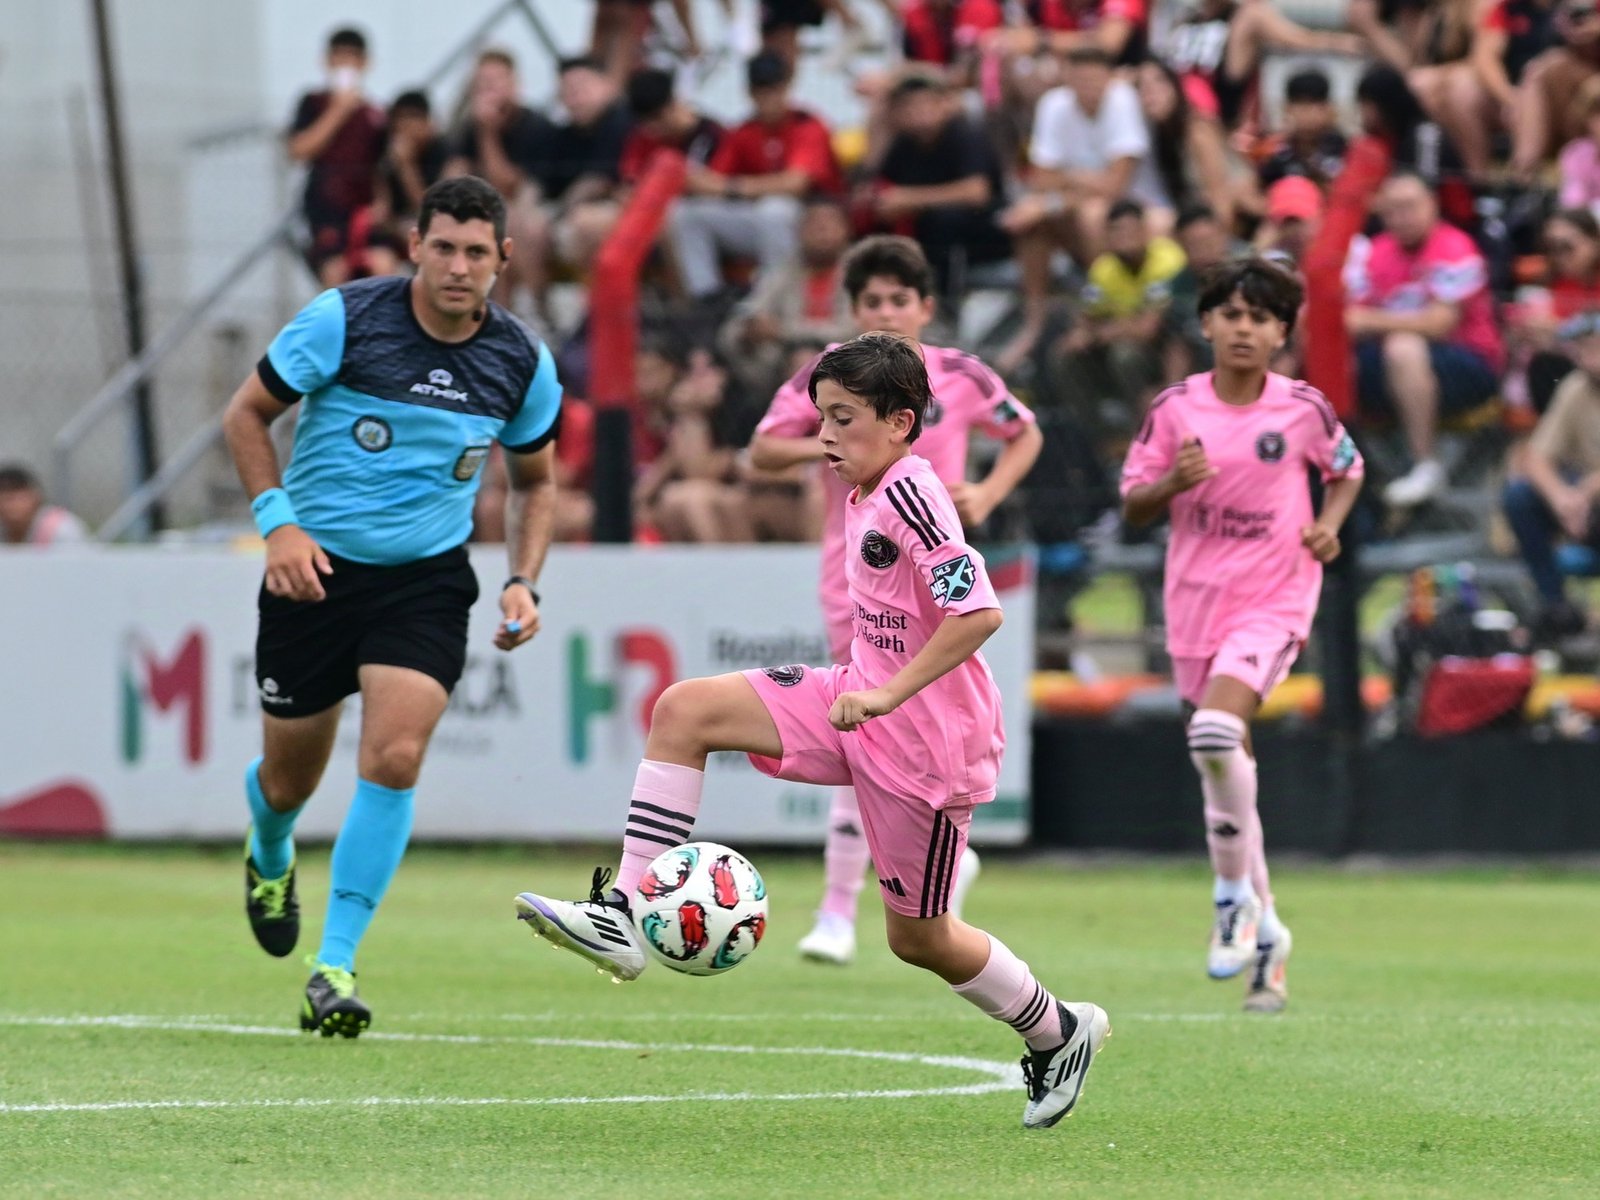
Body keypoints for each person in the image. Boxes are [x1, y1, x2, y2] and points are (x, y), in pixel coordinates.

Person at [513, 332, 1110, 1130]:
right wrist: (870, 689)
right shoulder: (870, 489)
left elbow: (980, 613)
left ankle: (1058, 1031)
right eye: (821, 417)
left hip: (926, 748)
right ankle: (622, 911)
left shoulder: (912, 496)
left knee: (921, 939)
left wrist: (889, 692)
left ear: (901, 422)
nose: (822, 436)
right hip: (855, 699)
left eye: (842, 419)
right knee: (684, 710)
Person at [220, 176, 562, 1036]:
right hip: (312, 574)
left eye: (476, 252)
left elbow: (536, 484)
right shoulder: (344, 319)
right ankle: (269, 851)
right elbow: (246, 416)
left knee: (396, 754)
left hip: (424, 582)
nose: (457, 266)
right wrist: (279, 528)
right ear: (415, 245)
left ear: (503, 260)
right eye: (442, 246)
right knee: (289, 779)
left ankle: (333, 965)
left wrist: (524, 578)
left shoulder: (521, 360)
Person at [747, 235, 1043, 965]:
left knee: (884, 725)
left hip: (930, 578)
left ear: (926, 307)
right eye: (871, 301)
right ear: (853, 310)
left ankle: (862, 902)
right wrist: (832, 438)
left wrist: (992, 490)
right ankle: (841, 910)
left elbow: (1025, 433)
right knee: (863, 728)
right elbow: (759, 450)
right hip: (855, 575)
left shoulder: (959, 381)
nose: (886, 311)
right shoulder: (833, 383)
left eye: (898, 300)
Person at [1120, 256, 1364, 1013]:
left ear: (1282, 333)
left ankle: (1230, 901)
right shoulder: (1175, 409)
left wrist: (1326, 526)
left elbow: (1349, 470)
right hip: (1196, 605)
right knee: (1226, 767)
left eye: (1261, 318)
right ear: (1207, 324)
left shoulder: (1303, 410)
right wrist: (1171, 484)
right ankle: (1271, 936)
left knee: (1217, 733)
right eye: (1232, 315)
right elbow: (1133, 504)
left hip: (1276, 597)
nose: (1244, 329)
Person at [1344, 172, 1504, 509]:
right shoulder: (1373, 252)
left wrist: (1373, 321)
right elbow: (1349, 321)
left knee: (1404, 345)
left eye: (1410, 206)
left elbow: (1438, 324)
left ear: (1432, 205)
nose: (1402, 217)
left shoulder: (1456, 247)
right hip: (1392, 364)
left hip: (1468, 364)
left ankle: (1425, 463)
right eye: (1393, 209)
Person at [669, 52, 843, 303]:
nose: (768, 98)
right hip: (762, 220)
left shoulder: (807, 124)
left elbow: (795, 184)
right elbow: (709, 183)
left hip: (812, 218)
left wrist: (732, 188)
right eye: (761, 90)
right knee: (685, 214)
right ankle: (707, 300)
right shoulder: (744, 131)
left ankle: (775, 301)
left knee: (774, 210)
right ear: (750, 92)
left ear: (786, 87)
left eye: (774, 89)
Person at [1503, 311, 1600, 637]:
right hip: (1585, 505)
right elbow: (1536, 457)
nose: (1589, 357)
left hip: (1592, 496)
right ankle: (1556, 606)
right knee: (1520, 497)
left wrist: (1585, 492)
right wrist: (1562, 498)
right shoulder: (1577, 388)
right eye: (1584, 349)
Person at [286, 27, 390, 284]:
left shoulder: (375, 116)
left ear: (365, 63)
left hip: (364, 216)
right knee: (335, 277)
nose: (346, 64)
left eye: (352, 58)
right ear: (326, 61)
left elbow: (381, 167)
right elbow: (298, 150)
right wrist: (338, 111)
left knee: (383, 269)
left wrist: (382, 204)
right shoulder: (312, 103)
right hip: (326, 212)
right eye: (339, 57)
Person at [0, 464, 88, 546]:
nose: (13, 506)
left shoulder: (60, 529)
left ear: (36, 497)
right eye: (7, 498)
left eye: (19, 498)